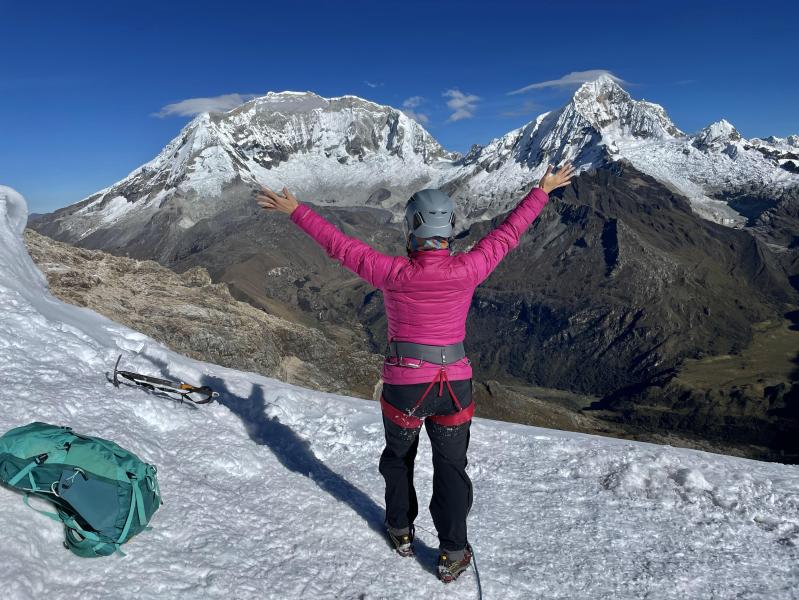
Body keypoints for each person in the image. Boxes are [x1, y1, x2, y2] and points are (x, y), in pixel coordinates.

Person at [256, 162, 576, 582]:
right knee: (451, 468)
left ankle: (401, 530)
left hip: (405, 387)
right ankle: (453, 552)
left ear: (411, 231)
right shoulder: (470, 268)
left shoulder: (392, 272)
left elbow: (340, 246)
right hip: (455, 388)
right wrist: (543, 190)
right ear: (449, 231)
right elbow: (507, 236)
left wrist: (296, 210)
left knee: (398, 459)